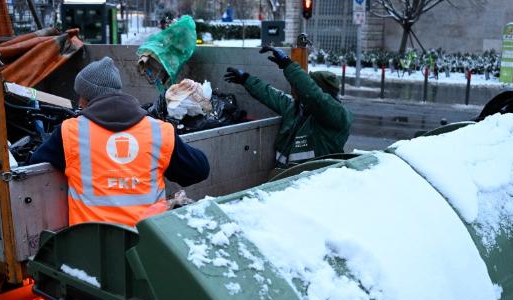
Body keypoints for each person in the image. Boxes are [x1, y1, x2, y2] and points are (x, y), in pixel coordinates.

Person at [31, 57, 209, 228]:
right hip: (148, 244)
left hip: (91, 247)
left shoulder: (70, 133)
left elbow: (33, 168)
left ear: (86, 98)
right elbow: (199, 170)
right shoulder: (159, 131)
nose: (78, 102)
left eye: (80, 96)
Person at [224, 46, 352, 167]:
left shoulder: (338, 116)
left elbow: (314, 96)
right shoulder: (297, 108)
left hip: (312, 183)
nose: (296, 89)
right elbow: (270, 94)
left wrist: (287, 64)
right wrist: (245, 79)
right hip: (285, 178)